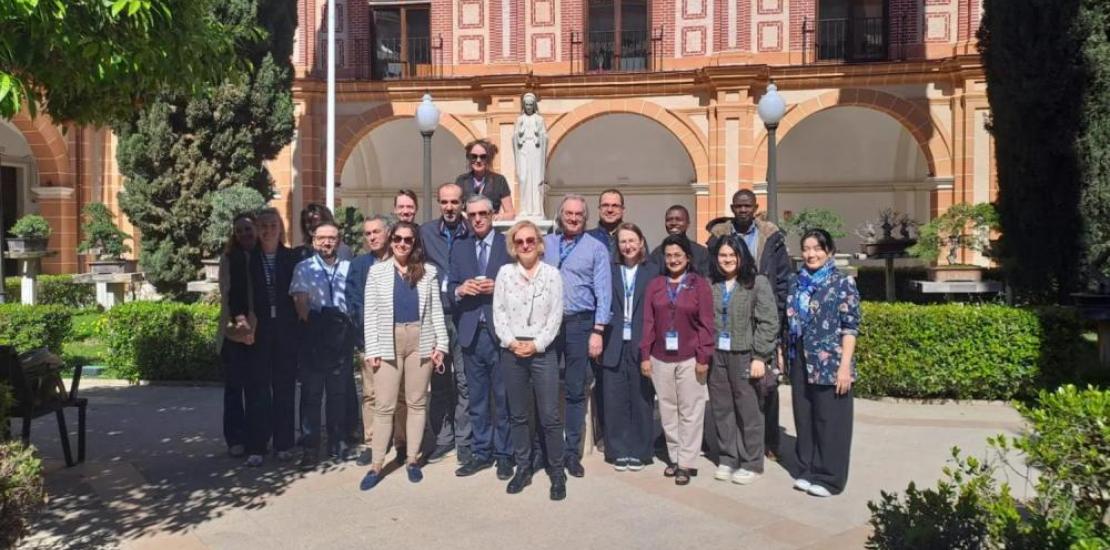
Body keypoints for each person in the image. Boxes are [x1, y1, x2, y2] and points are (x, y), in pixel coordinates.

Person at [359, 221, 449, 490]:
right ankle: (376, 464)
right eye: (397, 238)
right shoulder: (378, 272)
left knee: (416, 403)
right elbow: (371, 314)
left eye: (407, 240)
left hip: (421, 338)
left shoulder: (428, 272)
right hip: (389, 339)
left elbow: (435, 312)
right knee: (384, 405)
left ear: (415, 243)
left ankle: (412, 459)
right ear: (391, 240)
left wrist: (440, 346)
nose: (401, 244)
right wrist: (372, 349)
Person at [706, 189, 791, 460]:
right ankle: (731, 446)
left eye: (748, 206)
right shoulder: (718, 237)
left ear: (755, 207)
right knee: (729, 394)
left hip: (761, 310)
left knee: (766, 384)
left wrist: (775, 316)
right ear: (732, 207)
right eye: (738, 206)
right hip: (731, 317)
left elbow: (782, 279)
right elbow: (710, 271)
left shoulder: (771, 237)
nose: (743, 210)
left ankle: (768, 442)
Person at [492, 220, 565, 500]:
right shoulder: (505, 273)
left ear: (540, 244)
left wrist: (535, 345)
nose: (525, 246)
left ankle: (556, 472)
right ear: (513, 246)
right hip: (511, 350)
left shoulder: (552, 275)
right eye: (520, 241)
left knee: (549, 415)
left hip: (542, 350)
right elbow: (498, 312)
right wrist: (512, 342)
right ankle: (523, 466)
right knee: (518, 414)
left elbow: (555, 316)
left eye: (530, 241)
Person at [787, 229, 860, 497]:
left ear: (829, 251)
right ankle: (807, 469)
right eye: (806, 248)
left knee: (830, 420)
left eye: (817, 248)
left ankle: (830, 477)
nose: (811, 254)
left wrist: (845, 366)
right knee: (804, 417)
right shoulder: (797, 282)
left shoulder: (842, 283)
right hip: (801, 359)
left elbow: (850, 327)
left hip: (831, 362)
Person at [543, 194, 611, 478]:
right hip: (547, 324)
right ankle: (546, 450)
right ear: (560, 215)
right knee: (544, 387)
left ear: (585, 217)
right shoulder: (545, 244)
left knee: (574, 389)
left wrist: (598, 331)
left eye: (578, 215)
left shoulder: (596, 248)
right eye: (568, 213)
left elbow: (603, 292)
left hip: (580, 323)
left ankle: (572, 452)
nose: (573, 218)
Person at [640, 235, 714, 486]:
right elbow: (648, 323)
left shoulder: (699, 285)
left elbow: (706, 324)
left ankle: (687, 462)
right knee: (667, 410)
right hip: (660, 358)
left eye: (678, 255)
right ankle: (674, 456)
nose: (673, 260)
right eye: (669, 255)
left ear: (688, 258)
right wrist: (645, 356)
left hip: (690, 357)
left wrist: (704, 355)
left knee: (691, 411)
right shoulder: (656, 285)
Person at [449, 195, 513, 479]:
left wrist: (498, 286)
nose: (477, 219)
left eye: (483, 214)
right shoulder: (460, 247)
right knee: (477, 399)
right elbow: (449, 285)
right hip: (471, 332)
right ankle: (482, 452)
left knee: (503, 397)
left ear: (493, 214)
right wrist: (461, 290)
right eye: (472, 214)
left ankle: (504, 454)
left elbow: (522, 281)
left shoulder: (506, 243)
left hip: (500, 332)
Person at [708, 234, 779, 485]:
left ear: (741, 256)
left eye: (732, 255)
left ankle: (751, 462)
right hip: (717, 355)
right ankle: (728, 458)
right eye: (722, 255)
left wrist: (760, 356)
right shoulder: (712, 284)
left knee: (748, 409)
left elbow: (769, 322)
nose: (727, 260)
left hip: (745, 354)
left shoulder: (756, 283)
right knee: (722, 409)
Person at [290, 221, 355, 470]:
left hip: (341, 337)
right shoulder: (303, 268)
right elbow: (301, 304)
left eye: (332, 238)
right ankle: (310, 448)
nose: (327, 242)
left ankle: (337, 442)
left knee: (338, 394)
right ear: (314, 241)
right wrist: (319, 326)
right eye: (322, 238)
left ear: (339, 241)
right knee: (311, 395)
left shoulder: (349, 268)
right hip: (314, 337)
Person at [346, 215, 406, 466]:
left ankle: (402, 442)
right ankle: (373, 443)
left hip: (401, 338)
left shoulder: (402, 262)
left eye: (376, 232)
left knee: (401, 394)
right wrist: (373, 331)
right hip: (370, 340)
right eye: (367, 233)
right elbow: (353, 302)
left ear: (389, 233)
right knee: (371, 394)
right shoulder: (359, 265)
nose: (371, 237)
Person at [242, 208, 301, 465]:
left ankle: (283, 443)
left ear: (281, 229)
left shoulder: (291, 257)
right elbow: (239, 296)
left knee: (285, 388)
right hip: (258, 330)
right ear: (257, 229)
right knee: (257, 389)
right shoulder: (247, 259)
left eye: (273, 225)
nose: (268, 230)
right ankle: (257, 446)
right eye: (263, 226)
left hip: (285, 331)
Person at [420, 182, 473, 465]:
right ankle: (443, 439)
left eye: (454, 202)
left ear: (462, 203)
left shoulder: (471, 231)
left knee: (465, 381)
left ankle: (465, 440)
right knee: (439, 381)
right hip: (436, 317)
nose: (449, 207)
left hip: (465, 316)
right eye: (444, 202)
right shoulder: (426, 232)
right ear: (439, 203)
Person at [599, 223, 658, 471]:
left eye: (632, 240)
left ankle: (641, 450)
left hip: (641, 341)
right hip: (613, 340)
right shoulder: (609, 271)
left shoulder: (653, 271)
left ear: (642, 242)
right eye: (623, 241)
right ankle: (618, 450)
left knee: (642, 398)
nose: (628, 246)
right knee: (614, 399)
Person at [217, 213, 258, 461]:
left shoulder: (262, 256)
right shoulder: (228, 258)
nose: (244, 234)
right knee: (234, 388)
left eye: (248, 229)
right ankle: (235, 439)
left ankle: (255, 436)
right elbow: (227, 292)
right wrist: (240, 320)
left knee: (256, 388)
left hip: (259, 329)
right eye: (239, 230)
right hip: (234, 330)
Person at [455, 139, 515, 220]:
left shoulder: (499, 180)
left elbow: (510, 213)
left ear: (489, 159)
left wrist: (497, 217)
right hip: (468, 228)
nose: (478, 160)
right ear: (469, 158)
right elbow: (455, 207)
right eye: (474, 156)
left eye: (483, 157)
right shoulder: (461, 180)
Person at [650, 205, 710, 276]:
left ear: (688, 224)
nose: (673, 223)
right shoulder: (657, 254)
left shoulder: (701, 252)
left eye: (678, 219)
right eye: (669, 220)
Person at [587, 189, 628, 258]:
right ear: (599, 209)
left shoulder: (634, 238)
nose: (610, 210)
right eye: (605, 205)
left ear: (622, 209)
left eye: (615, 205)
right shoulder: (586, 238)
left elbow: (644, 267)